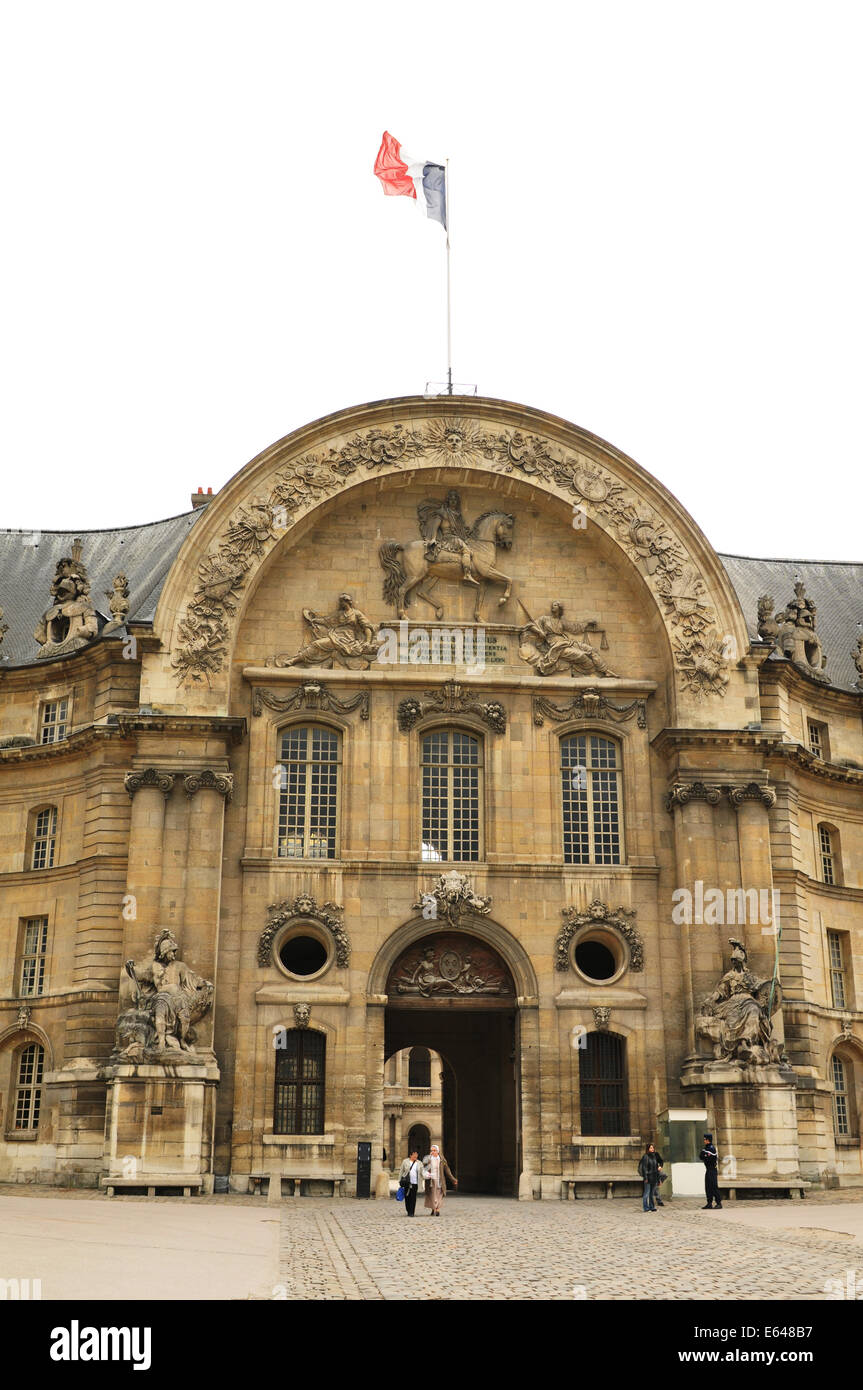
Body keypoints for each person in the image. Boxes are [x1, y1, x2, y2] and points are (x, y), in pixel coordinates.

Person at [423, 1143, 457, 1215]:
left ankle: (437, 1209)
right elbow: (424, 1169)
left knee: (439, 1194)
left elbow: (447, 1170)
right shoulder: (428, 1158)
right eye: (432, 1150)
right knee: (432, 1194)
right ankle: (433, 1208)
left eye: (434, 1150)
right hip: (431, 1180)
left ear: (438, 1151)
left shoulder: (442, 1159)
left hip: (440, 1180)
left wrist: (453, 1179)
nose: (433, 1152)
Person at [637, 1142, 664, 1212]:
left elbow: (659, 1164)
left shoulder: (654, 1156)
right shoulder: (646, 1156)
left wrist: (660, 1167)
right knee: (646, 1193)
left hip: (654, 1177)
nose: (652, 1149)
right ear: (648, 1149)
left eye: (653, 1148)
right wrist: (645, 1178)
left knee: (651, 1194)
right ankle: (646, 1208)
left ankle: (652, 1207)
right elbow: (644, 1168)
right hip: (648, 1177)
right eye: (651, 1148)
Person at [398, 1148, 425, 1217]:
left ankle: (412, 1212)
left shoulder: (419, 1163)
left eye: (416, 1154)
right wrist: (400, 1181)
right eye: (414, 1154)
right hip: (407, 1182)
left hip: (415, 1183)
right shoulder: (405, 1161)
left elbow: (422, 1172)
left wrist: (426, 1176)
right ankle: (408, 1210)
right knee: (407, 1197)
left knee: (413, 1198)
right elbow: (401, 1171)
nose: (415, 1156)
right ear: (410, 1155)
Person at [701, 1132, 722, 1209]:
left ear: (708, 1140)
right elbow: (701, 1156)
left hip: (712, 1170)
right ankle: (709, 1203)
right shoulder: (706, 1148)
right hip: (708, 1170)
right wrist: (705, 1156)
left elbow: (709, 1159)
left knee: (713, 1186)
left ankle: (718, 1203)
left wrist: (705, 1156)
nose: (704, 1141)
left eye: (704, 1139)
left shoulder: (711, 1148)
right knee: (708, 1187)